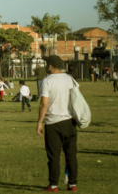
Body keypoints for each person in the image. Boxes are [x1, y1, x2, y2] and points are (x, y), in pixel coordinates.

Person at [37, 56, 78, 193]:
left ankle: (53, 186)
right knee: (71, 155)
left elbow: (44, 104)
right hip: (70, 122)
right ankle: (72, 184)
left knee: (54, 156)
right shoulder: (70, 79)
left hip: (53, 123)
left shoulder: (47, 81)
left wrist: (39, 122)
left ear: (50, 66)